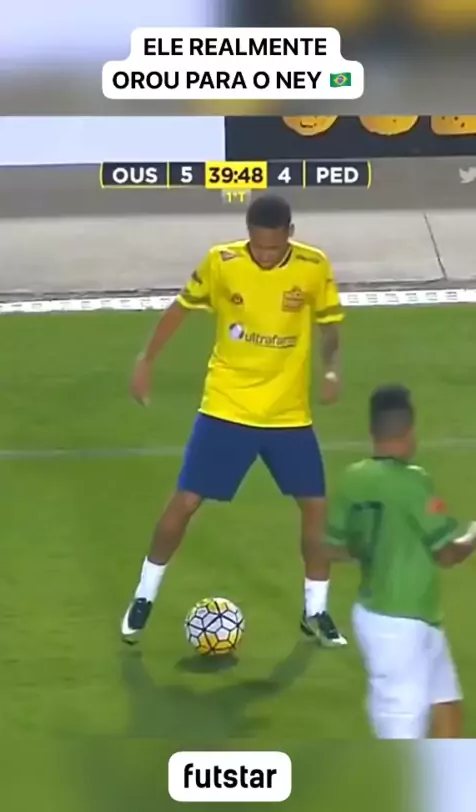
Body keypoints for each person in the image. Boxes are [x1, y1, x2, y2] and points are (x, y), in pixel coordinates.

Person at [122, 193, 347, 648]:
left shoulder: (313, 265)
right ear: (248, 235)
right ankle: (144, 596)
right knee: (185, 501)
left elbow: (329, 323)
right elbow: (181, 308)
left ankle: (316, 610)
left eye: (274, 247)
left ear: (290, 234)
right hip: (226, 408)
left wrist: (330, 368)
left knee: (316, 508)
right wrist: (147, 359)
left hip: (287, 415)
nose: (265, 255)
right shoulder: (221, 262)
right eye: (258, 246)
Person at [324, 384, 476, 739]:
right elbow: (446, 553)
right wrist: (472, 538)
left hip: (405, 616)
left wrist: (374, 549)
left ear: (372, 430)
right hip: (399, 628)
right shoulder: (414, 482)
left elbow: (333, 548)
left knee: (447, 706)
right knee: (401, 734)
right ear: (409, 431)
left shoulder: (353, 478)